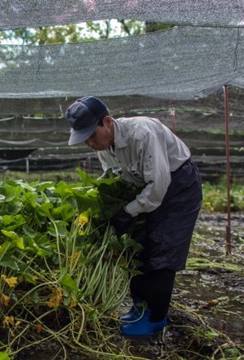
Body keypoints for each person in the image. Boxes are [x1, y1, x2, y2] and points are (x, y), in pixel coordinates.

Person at [66, 96, 202, 336]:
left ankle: (157, 317)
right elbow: (113, 179)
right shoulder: (104, 147)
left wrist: (128, 211)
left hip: (178, 186)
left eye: (91, 135)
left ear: (107, 122)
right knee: (137, 246)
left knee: (162, 248)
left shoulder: (142, 133)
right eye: (83, 138)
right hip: (145, 190)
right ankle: (140, 308)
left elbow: (158, 185)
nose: (88, 142)